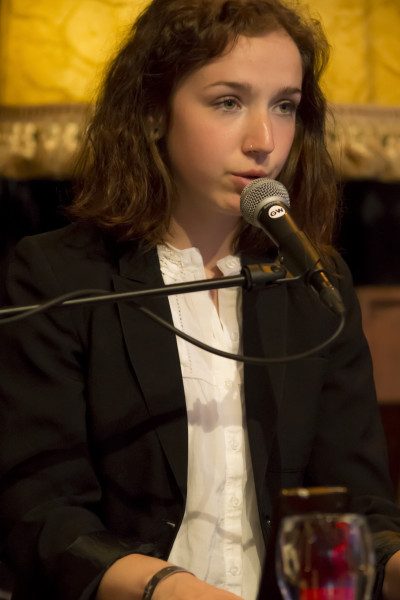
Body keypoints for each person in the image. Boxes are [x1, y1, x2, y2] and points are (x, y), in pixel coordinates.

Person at [1, 0, 400, 599]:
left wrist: (391, 563)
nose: (264, 141)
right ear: (153, 112)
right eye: (228, 102)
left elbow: (356, 507)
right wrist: (167, 587)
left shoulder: (313, 280)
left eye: (285, 106)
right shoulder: (59, 276)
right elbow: (40, 514)